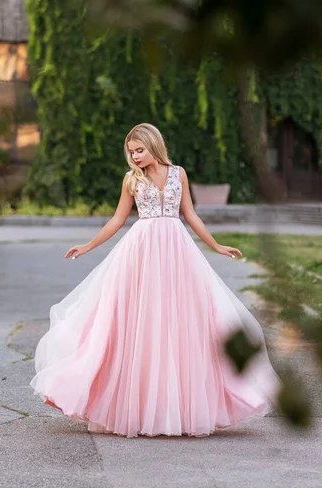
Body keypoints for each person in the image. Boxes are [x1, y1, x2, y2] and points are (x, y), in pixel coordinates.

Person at [30, 123, 281, 438]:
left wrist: (215, 245)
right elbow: (117, 220)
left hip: (177, 252)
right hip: (141, 252)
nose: (135, 157)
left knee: (185, 321)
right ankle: (133, 404)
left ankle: (183, 405)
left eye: (140, 150)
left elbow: (190, 214)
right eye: (131, 152)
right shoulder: (131, 180)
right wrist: (88, 245)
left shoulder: (179, 174)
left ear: (154, 146)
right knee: (138, 323)